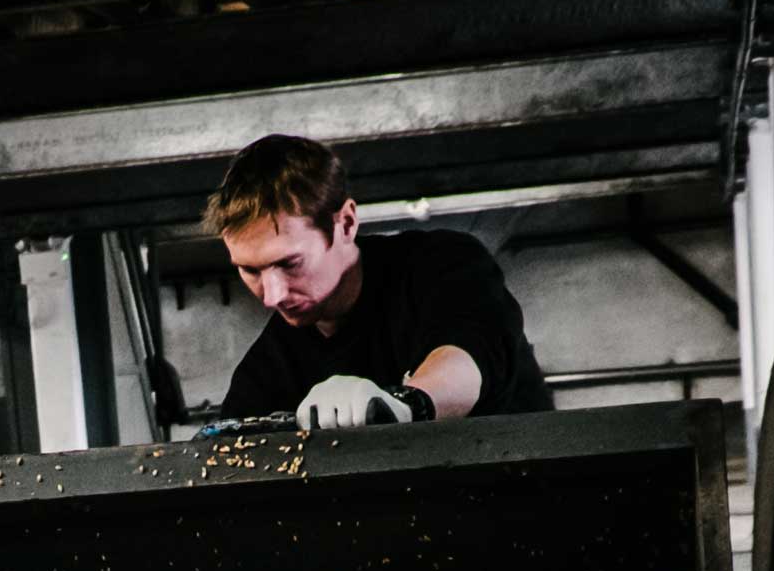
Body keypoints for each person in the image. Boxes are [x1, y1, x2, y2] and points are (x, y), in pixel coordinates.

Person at [208, 134, 553, 429]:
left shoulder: (442, 266)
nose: (272, 295)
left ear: (345, 223)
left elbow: (465, 362)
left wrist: (403, 404)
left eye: (290, 263)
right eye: (250, 270)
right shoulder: (267, 369)